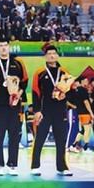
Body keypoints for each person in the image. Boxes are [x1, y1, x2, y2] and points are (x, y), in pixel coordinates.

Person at [0, 38, 28, 176]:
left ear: (9, 47)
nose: (3, 48)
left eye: (5, 45)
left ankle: (12, 164)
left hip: (15, 105)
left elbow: (24, 81)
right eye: (1, 46)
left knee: (14, 136)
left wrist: (18, 95)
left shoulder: (18, 62)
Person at [30, 45, 73, 176]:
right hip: (45, 111)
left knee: (61, 139)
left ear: (57, 55)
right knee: (40, 138)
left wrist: (66, 96)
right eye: (49, 54)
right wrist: (37, 111)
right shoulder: (40, 72)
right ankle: (35, 166)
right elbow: (35, 92)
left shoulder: (64, 72)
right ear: (45, 56)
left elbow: (70, 90)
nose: (52, 55)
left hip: (60, 110)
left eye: (54, 53)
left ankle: (62, 167)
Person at [71, 76, 94, 153]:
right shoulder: (83, 90)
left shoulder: (76, 90)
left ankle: (73, 145)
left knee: (83, 130)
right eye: (86, 81)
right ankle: (86, 148)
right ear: (82, 81)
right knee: (87, 129)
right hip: (85, 112)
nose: (87, 82)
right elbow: (86, 102)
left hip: (80, 112)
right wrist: (91, 113)